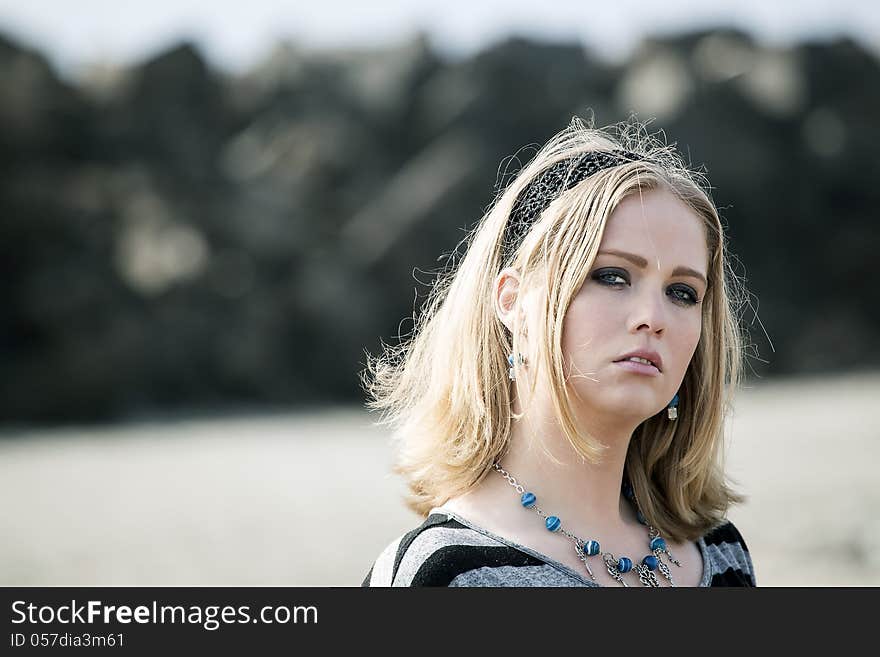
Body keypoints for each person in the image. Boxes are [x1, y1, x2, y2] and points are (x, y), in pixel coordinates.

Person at [360, 117, 756, 587]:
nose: (654, 316)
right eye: (612, 276)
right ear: (513, 302)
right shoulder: (444, 573)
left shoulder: (721, 555)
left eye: (683, 293)